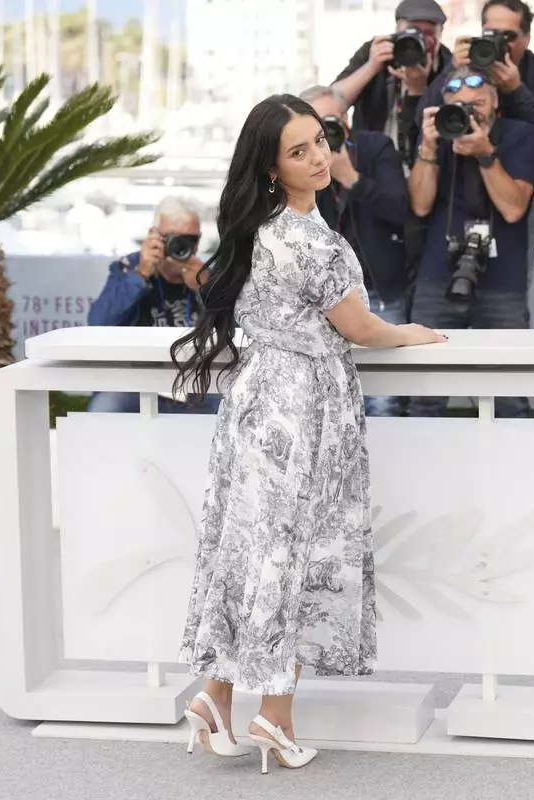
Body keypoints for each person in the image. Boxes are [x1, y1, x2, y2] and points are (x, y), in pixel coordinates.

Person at [171, 94, 446, 773]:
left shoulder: (261, 229)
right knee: (292, 554)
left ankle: (216, 695)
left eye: (319, 141)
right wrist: (407, 332)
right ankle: (275, 717)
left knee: (251, 547)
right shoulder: (305, 238)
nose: (319, 156)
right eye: (299, 151)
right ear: (272, 168)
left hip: (257, 398)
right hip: (303, 406)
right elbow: (360, 329)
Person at [407, 66, 534, 419]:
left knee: (509, 395)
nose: (470, 113)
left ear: (496, 102)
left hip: (501, 279)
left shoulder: (520, 134)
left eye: (478, 103)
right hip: (439, 274)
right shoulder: (435, 139)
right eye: (459, 105)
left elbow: (514, 208)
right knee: (424, 394)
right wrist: (429, 145)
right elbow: (420, 205)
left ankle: (511, 471)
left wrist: (486, 154)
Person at [418, 0, 534, 288]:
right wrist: (449, 72)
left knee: (511, 284)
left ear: (526, 38)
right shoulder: (466, 62)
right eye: (490, 32)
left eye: (507, 36)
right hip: (455, 187)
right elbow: (422, 118)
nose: (498, 43)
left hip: (515, 179)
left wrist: (516, 90)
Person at [301, 84, 414, 416]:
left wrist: (351, 178)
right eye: (315, 126)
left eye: (331, 123)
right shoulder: (299, 162)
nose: (325, 134)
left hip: (378, 289)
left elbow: (400, 209)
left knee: (383, 395)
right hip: (320, 299)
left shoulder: (375, 148)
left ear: (346, 119)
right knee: (323, 394)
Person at [86, 197, 218, 414]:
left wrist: (207, 289)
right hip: (136, 382)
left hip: (195, 383)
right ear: (154, 236)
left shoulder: (206, 274)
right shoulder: (130, 267)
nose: (182, 247)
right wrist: (141, 275)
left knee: (227, 407)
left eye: (190, 240)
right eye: (174, 239)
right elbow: (99, 322)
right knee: (105, 408)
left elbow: (236, 327)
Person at [332, 0, 453, 169]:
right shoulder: (376, 50)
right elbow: (333, 102)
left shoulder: (448, 65)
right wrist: (371, 67)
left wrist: (418, 91)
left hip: (423, 166)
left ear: (440, 35)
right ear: (397, 30)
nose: (421, 40)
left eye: (429, 33)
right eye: (413, 32)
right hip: (370, 162)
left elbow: (440, 128)